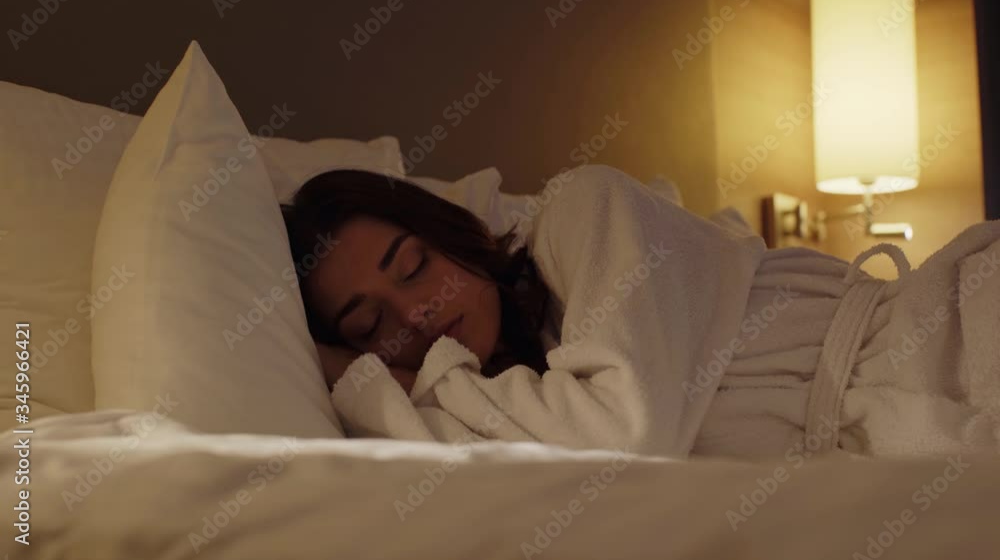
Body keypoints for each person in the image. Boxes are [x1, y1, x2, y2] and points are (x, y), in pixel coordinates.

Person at [282, 164, 1000, 459]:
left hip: (958, 331)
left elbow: (626, 428)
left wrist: (416, 375)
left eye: (413, 266)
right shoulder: (498, 403)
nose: (419, 312)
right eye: (370, 327)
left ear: (450, 236)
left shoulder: (578, 210)